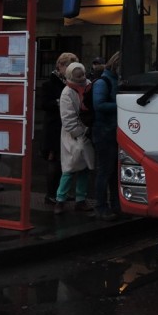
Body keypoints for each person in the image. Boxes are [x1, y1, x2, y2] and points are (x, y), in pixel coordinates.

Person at [54, 62, 96, 213]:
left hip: (84, 132)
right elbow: (67, 118)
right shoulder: (67, 92)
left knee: (84, 167)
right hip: (73, 134)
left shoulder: (88, 85)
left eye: (82, 75)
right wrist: (81, 132)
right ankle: (60, 199)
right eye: (78, 76)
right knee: (70, 167)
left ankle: (80, 199)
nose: (82, 78)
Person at [40, 52, 78, 205]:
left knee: (66, 162)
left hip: (66, 126)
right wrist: (59, 102)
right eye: (67, 66)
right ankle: (51, 194)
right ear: (60, 66)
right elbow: (44, 104)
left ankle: (62, 191)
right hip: (54, 127)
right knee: (54, 161)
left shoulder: (70, 83)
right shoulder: (49, 84)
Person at [93, 52, 121, 221]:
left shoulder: (111, 80)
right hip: (104, 132)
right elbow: (99, 104)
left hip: (112, 131)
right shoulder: (104, 82)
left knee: (113, 171)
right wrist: (122, 104)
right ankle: (101, 206)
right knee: (105, 171)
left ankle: (115, 204)